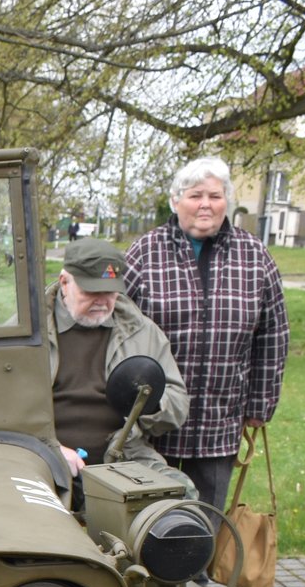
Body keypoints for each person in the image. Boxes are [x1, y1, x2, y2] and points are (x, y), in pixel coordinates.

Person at [124, 157, 289, 513]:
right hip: (154, 418)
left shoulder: (254, 256)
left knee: (208, 518)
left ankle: (202, 571)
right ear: (175, 200)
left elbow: (273, 335)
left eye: (215, 196)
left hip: (221, 415)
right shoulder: (145, 252)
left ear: (227, 201)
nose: (205, 205)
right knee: (151, 516)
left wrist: (260, 405)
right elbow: (117, 325)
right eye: (195, 195)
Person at [46, 238, 189, 478]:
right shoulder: (31, 332)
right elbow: (2, 411)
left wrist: (148, 401)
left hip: (125, 455)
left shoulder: (140, 331)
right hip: (43, 457)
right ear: (64, 283)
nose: (102, 302)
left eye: (110, 292)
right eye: (91, 291)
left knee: (179, 503)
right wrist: (50, 448)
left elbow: (178, 404)